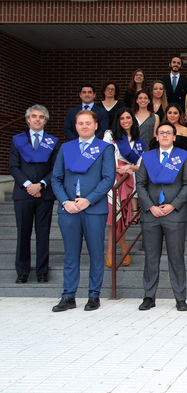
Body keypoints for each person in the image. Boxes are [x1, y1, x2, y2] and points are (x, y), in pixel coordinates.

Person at [51, 110, 116, 312]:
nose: (84, 126)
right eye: (80, 123)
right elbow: (56, 178)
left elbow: (108, 178)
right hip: (69, 209)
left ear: (96, 126)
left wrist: (88, 200)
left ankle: (94, 295)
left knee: (96, 253)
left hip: (94, 208)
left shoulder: (104, 148)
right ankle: (68, 295)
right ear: (76, 126)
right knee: (71, 254)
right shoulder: (66, 147)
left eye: (88, 123)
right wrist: (65, 202)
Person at [137, 121, 187, 312]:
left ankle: (180, 298)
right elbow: (141, 184)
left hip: (174, 214)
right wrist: (151, 206)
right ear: (156, 136)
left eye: (168, 133)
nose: (164, 136)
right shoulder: (147, 157)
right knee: (151, 258)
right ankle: (149, 296)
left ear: (174, 137)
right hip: (151, 214)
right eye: (161, 133)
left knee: (176, 258)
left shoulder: (183, 157)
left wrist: (173, 205)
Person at [10, 104, 60, 284]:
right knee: (23, 233)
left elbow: (56, 168)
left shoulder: (52, 142)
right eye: (34, 116)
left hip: (44, 194)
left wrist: (41, 185)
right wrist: (29, 185)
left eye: (41, 117)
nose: (37, 119)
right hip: (23, 194)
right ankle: (22, 271)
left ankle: (41, 271)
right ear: (28, 119)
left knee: (43, 233)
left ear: (45, 121)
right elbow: (13, 167)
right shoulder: (17, 140)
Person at [103, 107, 145, 268]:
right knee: (114, 215)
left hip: (128, 179)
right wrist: (117, 169)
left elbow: (139, 165)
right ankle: (113, 249)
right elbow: (105, 156)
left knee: (121, 216)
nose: (126, 121)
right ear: (117, 121)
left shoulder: (138, 140)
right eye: (122, 118)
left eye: (128, 117)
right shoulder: (110, 135)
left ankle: (122, 246)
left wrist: (129, 169)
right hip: (113, 179)